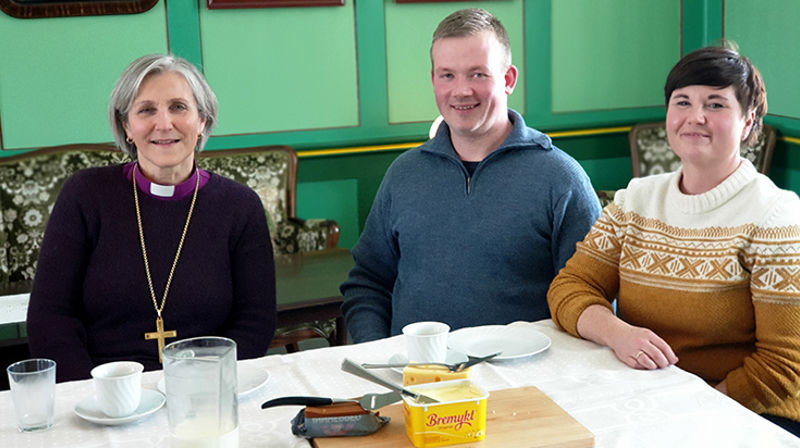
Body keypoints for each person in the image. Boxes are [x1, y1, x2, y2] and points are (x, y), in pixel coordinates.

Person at [547, 44, 800, 436]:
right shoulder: (636, 200)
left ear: (749, 122)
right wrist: (618, 333)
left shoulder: (776, 217)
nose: (695, 117)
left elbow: (784, 365)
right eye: (683, 102)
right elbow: (570, 287)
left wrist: (686, 410)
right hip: (650, 397)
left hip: (754, 413)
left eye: (716, 105)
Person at [340, 8, 600, 343]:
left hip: (525, 383)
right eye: (447, 75)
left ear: (508, 80)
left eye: (478, 74)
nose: (461, 91)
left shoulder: (561, 178)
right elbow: (367, 282)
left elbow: (590, 297)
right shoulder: (403, 174)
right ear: (433, 80)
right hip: (416, 379)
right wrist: (375, 352)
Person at [26, 54, 276, 382]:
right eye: (146, 110)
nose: (164, 124)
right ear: (127, 126)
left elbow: (255, 322)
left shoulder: (240, 206)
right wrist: (92, 393)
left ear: (202, 120)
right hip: (103, 391)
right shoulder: (85, 195)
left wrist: (203, 387)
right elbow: (50, 316)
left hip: (207, 389)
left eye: (178, 107)